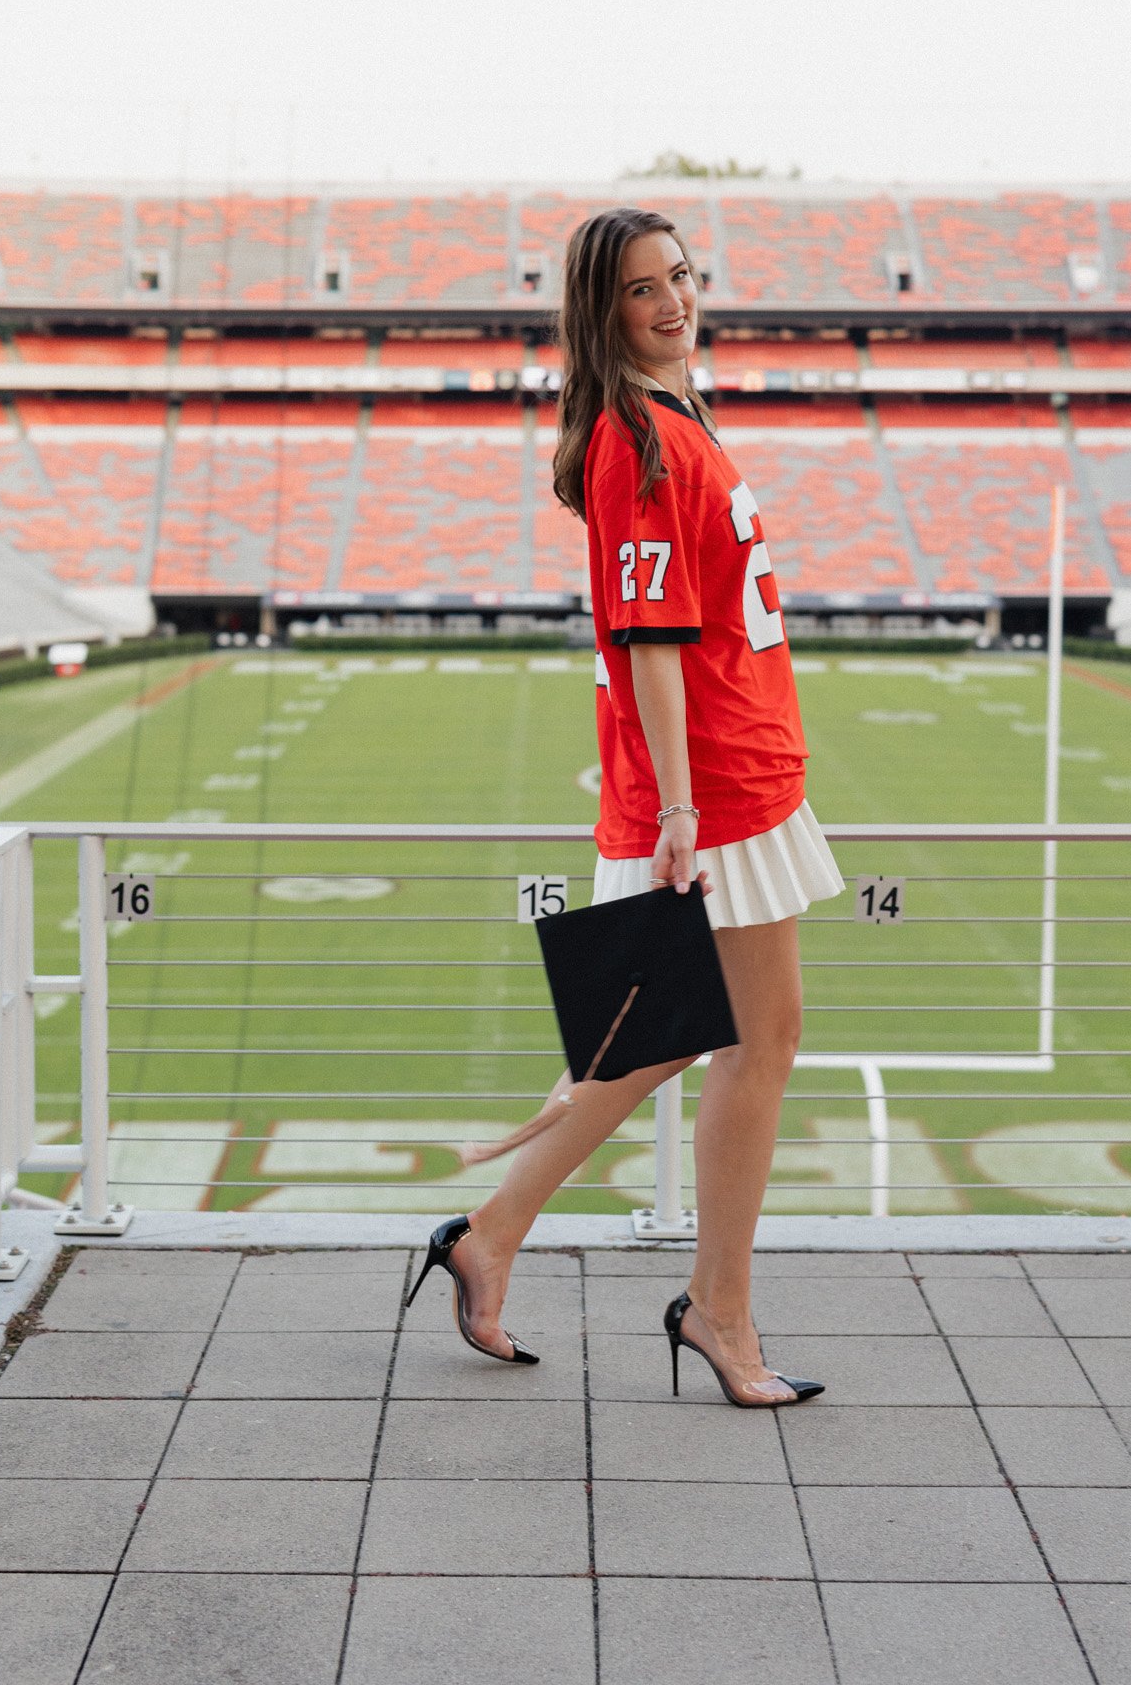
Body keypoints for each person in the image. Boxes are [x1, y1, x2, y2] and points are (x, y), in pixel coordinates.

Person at [405, 206, 845, 1405]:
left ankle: (489, 1235)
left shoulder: (673, 415)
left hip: (739, 765)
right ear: (602, 310)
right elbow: (652, 641)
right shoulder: (633, 436)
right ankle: (719, 1313)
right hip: (714, 786)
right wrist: (684, 809)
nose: (671, 300)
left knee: (667, 1042)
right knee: (757, 1043)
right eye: (642, 287)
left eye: (683, 276)